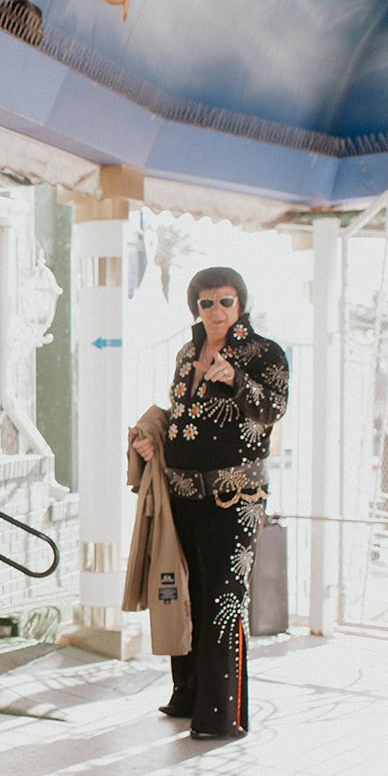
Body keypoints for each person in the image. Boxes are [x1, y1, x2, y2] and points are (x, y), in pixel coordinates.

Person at [132, 266, 288, 740]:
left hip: (234, 497)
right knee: (186, 593)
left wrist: (236, 379)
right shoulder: (186, 353)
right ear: (195, 307)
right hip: (182, 494)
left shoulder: (263, 353)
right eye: (207, 303)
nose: (216, 311)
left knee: (223, 599)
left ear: (241, 303)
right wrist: (155, 445)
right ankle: (188, 695)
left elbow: (274, 407)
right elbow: (183, 416)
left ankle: (221, 714)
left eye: (225, 301)